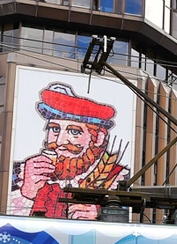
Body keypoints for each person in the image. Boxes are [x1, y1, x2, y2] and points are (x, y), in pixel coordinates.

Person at [10, 82, 131, 219]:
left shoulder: (119, 179)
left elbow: (132, 224)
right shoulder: (22, 173)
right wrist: (27, 193)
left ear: (98, 138)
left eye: (74, 131)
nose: (60, 141)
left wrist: (99, 216)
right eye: (55, 129)